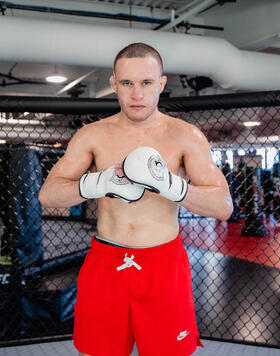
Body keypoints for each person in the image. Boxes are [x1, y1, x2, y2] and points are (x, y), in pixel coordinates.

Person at [39, 42, 233, 356]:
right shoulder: (92, 135)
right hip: (106, 263)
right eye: (127, 83)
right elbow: (49, 194)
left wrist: (174, 187)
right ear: (114, 84)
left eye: (146, 83)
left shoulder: (185, 135)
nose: (137, 94)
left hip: (163, 265)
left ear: (161, 83)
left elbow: (224, 206)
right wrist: (98, 182)